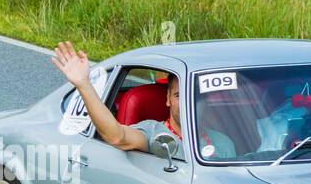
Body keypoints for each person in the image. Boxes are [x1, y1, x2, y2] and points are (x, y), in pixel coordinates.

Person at [50, 41, 235, 159]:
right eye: (179, 96)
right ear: (168, 100)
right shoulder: (153, 131)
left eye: (196, 98)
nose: (188, 105)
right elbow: (116, 136)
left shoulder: (223, 142)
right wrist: (83, 84)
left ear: (207, 102)